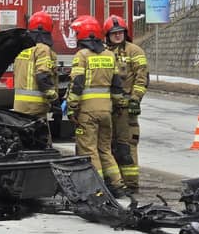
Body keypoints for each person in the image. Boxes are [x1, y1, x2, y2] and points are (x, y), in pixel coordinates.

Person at [65, 14, 128, 199]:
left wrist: (71, 106)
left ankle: (97, 188)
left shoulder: (82, 56)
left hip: (87, 112)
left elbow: (77, 83)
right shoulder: (110, 55)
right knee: (105, 149)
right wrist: (118, 104)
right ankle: (117, 184)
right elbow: (117, 85)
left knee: (89, 150)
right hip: (106, 112)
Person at [104, 15, 148, 193]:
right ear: (107, 35)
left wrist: (135, 99)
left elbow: (142, 78)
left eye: (120, 32)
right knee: (108, 145)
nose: (117, 35)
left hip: (126, 108)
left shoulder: (135, 51)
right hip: (108, 107)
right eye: (113, 33)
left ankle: (130, 184)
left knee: (127, 145)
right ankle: (114, 182)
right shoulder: (104, 52)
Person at [12, 11, 59, 146]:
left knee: (24, 142)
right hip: (36, 107)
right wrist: (54, 99)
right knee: (43, 145)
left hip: (19, 106)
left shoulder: (23, 49)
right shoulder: (42, 49)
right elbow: (42, 76)